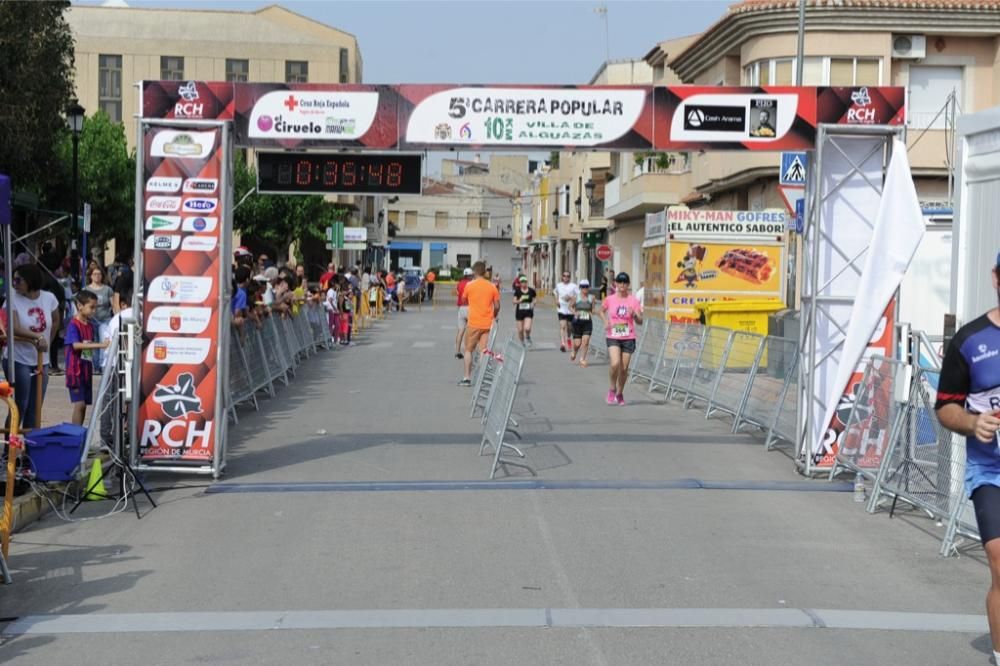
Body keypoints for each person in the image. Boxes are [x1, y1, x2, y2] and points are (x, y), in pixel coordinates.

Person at [935, 253, 1000, 665]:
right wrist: (973, 423)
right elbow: (944, 408)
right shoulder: (970, 340)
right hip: (991, 470)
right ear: (996, 278)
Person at [4, 264, 60, 428]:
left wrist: (48, 340)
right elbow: (12, 327)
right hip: (18, 358)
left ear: (30, 280)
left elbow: (56, 319)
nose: (14, 283)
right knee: (20, 405)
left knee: (35, 408)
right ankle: (9, 451)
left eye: (18, 279)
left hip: (42, 359)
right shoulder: (12, 298)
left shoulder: (48, 298)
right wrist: (37, 337)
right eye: (13, 279)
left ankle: (31, 450)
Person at [64, 290, 110, 425]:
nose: (94, 311)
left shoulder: (89, 325)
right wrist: (101, 345)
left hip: (85, 369)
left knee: (84, 406)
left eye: (96, 307)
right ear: (80, 306)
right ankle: (75, 434)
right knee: (80, 404)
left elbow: (86, 348)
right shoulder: (73, 324)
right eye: (91, 307)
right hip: (75, 370)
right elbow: (76, 345)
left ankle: (79, 435)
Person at [601, 272, 643, 405]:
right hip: (613, 335)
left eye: (625, 283)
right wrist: (605, 320)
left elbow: (640, 320)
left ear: (628, 285)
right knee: (615, 363)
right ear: (616, 284)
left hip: (628, 337)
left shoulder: (633, 301)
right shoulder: (610, 299)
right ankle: (612, 388)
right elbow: (600, 310)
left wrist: (635, 316)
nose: (622, 285)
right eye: (620, 282)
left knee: (624, 368)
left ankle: (620, 393)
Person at [459, 261, 499, 386]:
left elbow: (463, 299)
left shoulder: (470, 286)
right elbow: (497, 305)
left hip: (473, 323)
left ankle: (467, 378)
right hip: (487, 324)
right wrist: (494, 315)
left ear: (475, 272)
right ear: (484, 272)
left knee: (468, 350)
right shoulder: (492, 286)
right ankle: (481, 378)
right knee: (483, 350)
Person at [85, 266, 114, 372]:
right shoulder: (86, 289)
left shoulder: (108, 289)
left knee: (103, 342)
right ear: (91, 276)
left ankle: (102, 365)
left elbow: (113, 305)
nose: (97, 276)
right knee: (90, 342)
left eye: (99, 274)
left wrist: (116, 318)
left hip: (105, 319)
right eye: (95, 274)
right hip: (90, 320)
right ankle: (92, 365)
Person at [570, 279, 597, 367]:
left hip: (587, 322)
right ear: (580, 288)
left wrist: (592, 312)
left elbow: (592, 309)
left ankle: (582, 359)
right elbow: (570, 306)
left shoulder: (592, 297)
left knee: (585, 341)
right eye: (583, 287)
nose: (585, 288)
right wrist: (575, 313)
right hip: (577, 322)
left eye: (586, 286)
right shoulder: (576, 297)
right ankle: (574, 350)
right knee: (577, 343)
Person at [554, 271, 579, 352]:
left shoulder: (573, 286)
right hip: (561, 309)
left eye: (568, 276)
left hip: (570, 309)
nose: (566, 277)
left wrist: (571, 298)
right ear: (562, 277)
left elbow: (578, 296)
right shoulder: (559, 285)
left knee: (570, 327)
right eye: (564, 276)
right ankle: (563, 344)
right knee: (563, 326)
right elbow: (555, 292)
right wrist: (556, 300)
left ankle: (568, 338)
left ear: (570, 277)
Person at [512, 276, 536, 347]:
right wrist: (519, 301)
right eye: (522, 282)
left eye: (525, 282)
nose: (524, 284)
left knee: (527, 328)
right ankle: (522, 342)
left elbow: (534, 299)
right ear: (520, 283)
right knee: (520, 330)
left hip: (528, 311)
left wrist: (533, 303)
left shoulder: (531, 290)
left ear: (527, 282)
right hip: (519, 312)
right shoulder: (518, 291)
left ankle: (528, 337)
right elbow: (513, 301)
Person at [455, 267, 473, 359]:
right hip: (470, 307)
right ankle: (468, 351)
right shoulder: (471, 284)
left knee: (460, 330)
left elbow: (458, 293)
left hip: (461, 308)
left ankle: (457, 352)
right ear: (470, 276)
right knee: (471, 331)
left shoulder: (459, 283)